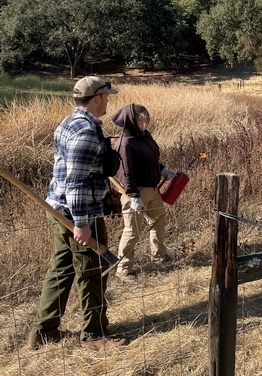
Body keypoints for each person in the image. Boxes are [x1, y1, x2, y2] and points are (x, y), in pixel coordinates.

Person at [29, 76, 126, 350]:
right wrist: (81, 224)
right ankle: (94, 335)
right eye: (106, 96)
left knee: (61, 269)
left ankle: (43, 330)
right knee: (92, 269)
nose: (108, 100)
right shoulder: (84, 131)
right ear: (96, 98)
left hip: (60, 208)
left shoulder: (70, 122)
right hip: (77, 212)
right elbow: (75, 180)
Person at [112, 104, 175, 282]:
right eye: (142, 119)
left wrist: (162, 169)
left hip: (152, 188)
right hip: (135, 192)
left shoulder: (144, 135)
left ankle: (159, 256)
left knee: (159, 220)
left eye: (147, 118)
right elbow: (126, 173)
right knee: (133, 230)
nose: (146, 122)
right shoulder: (125, 144)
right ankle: (123, 268)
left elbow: (152, 157)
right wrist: (134, 196)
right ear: (132, 120)